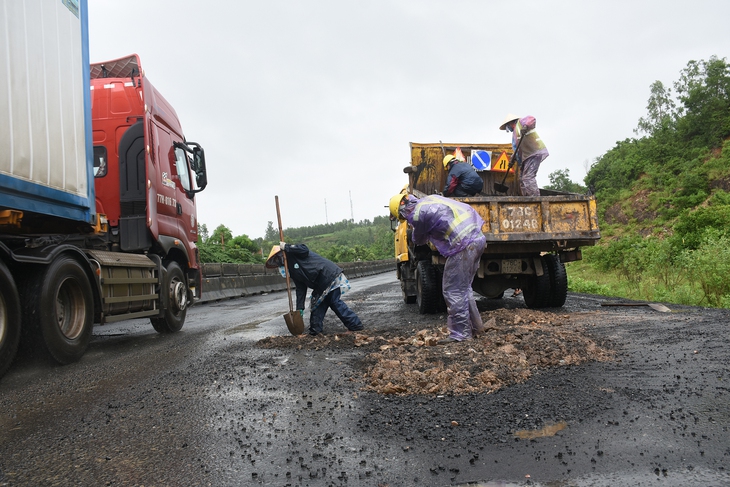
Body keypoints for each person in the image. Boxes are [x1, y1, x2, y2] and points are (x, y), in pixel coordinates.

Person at [389, 192, 486, 343]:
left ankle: (461, 335)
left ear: (401, 212)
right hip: (477, 238)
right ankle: (476, 327)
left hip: (463, 244)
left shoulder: (417, 214)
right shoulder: (429, 200)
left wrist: (413, 232)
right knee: (464, 288)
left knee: (453, 290)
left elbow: (418, 239)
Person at [265, 242, 363, 336]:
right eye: (276, 261)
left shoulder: (295, 253)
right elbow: (300, 289)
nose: (279, 262)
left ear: (283, 255)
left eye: (279, 258)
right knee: (317, 305)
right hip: (319, 284)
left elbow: (304, 249)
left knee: (334, 302)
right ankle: (315, 331)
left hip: (327, 275)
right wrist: (300, 309)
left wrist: (287, 247)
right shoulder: (293, 272)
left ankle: (355, 326)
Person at [499, 114, 549, 197]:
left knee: (528, 178)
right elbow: (517, 149)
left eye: (507, 127)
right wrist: (512, 159)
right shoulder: (515, 134)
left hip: (533, 153)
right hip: (526, 157)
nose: (508, 129)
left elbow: (532, 119)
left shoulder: (521, 122)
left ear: (510, 123)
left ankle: (535, 199)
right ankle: (526, 198)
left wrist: (525, 126)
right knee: (522, 179)